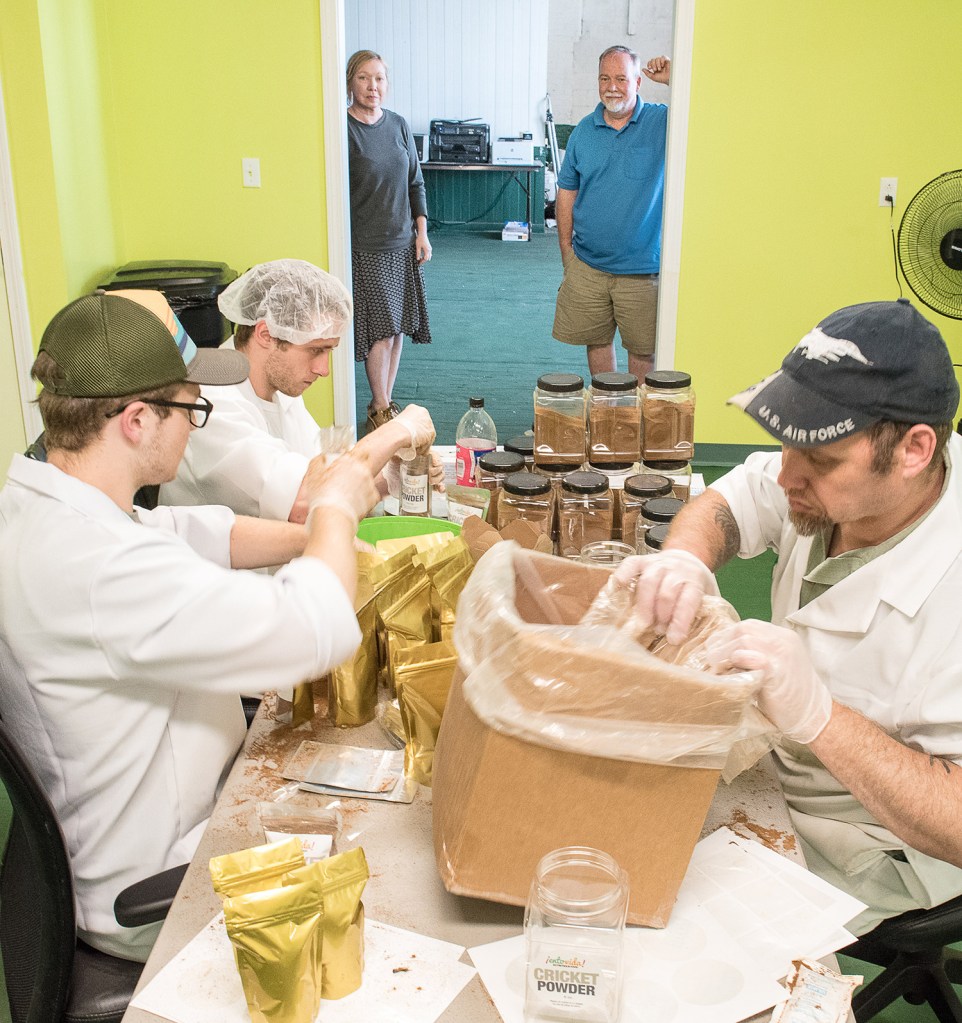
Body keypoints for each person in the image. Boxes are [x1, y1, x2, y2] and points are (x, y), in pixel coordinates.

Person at [0, 288, 381, 961]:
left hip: (152, 818)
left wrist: (302, 537)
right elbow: (314, 627)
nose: (196, 426)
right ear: (137, 420)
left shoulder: (44, 502)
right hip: (153, 884)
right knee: (384, 878)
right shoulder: (101, 571)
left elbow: (191, 529)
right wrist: (336, 514)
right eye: (189, 407)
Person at [615, 298, 962, 934]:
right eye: (785, 446)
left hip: (873, 838)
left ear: (915, 450)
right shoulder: (818, 478)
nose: (786, 476)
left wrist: (821, 717)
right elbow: (729, 500)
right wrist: (686, 560)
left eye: (822, 460)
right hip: (779, 770)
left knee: (662, 913)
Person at [160, 259, 440, 521]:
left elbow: (325, 482)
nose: (324, 369)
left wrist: (388, 478)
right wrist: (395, 430)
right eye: (315, 350)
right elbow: (304, 504)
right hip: (223, 573)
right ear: (266, 335)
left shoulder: (279, 389)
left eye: (329, 351)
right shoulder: (212, 404)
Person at [552, 46, 670, 381]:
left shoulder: (661, 122)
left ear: (638, 82)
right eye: (605, 78)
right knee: (596, 340)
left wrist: (674, 79)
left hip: (643, 269)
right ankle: (609, 414)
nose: (612, 86)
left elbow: (705, 109)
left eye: (621, 78)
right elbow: (566, 193)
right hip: (589, 264)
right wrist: (567, 253)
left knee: (642, 351)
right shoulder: (583, 133)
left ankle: (636, 422)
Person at [346, 49, 432, 432]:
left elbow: (416, 182)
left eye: (379, 78)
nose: (372, 86)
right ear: (350, 82)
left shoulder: (397, 124)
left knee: (396, 327)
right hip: (366, 244)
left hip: (402, 241)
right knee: (379, 328)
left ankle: (383, 403)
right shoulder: (342, 129)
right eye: (364, 78)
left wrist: (422, 232)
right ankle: (381, 407)